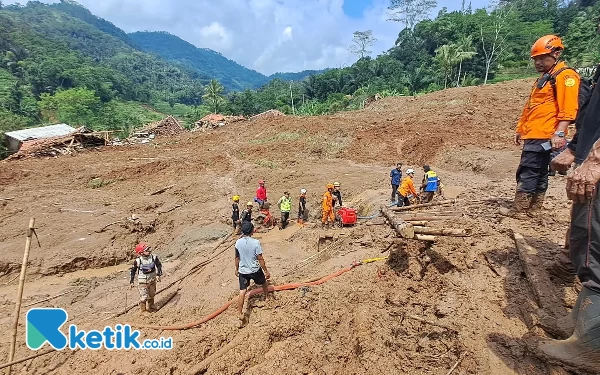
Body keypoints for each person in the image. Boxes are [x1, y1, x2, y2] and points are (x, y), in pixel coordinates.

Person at [537, 26, 600, 371]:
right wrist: (577, 146)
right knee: (584, 239)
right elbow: (592, 117)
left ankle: (591, 345)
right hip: (587, 154)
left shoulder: (566, 77)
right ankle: (578, 328)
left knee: (596, 249)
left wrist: (595, 158)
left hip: (597, 166)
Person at [500, 35, 580, 219]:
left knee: (529, 170)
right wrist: (521, 128)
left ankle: (520, 209)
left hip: (546, 134)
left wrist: (559, 133)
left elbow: (568, 109)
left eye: (543, 58)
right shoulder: (545, 78)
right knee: (539, 171)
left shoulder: (565, 76)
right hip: (535, 133)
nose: (538, 62)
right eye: (536, 59)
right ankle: (534, 208)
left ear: (557, 53)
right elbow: (530, 107)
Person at [235, 222, 271, 327]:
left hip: (243, 271)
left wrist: (236, 269)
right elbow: (260, 258)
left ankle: (239, 313)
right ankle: (266, 297)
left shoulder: (238, 243)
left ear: (242, 231)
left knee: (242, 292)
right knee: (264, 283)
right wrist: (266, 271)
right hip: (255, 270)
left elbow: (237, 258)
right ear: (252, 231)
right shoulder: (256, 243)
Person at [130, 243, 162, 312]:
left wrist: (158, 275)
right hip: (143, 282)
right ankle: (143, 310)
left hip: (152, 280)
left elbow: (159, 265)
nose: (149, 251)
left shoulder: (154, 257)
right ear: (141, 253)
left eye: (148, 249)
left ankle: (151, 306)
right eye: (146, 250)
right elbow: (133, 271)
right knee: (144, 296)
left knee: (152, 294)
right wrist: (131, 281)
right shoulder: (138, 261)